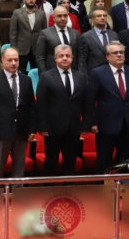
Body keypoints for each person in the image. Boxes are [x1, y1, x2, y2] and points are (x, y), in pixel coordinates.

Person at [87, 41, 129, 173]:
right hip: (106, 125)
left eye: (121, 52)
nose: (119, 55)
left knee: (124, 161)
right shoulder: (98, 73)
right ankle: (102, 184)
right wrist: (92, 122)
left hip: (128, 125)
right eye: (115, 53)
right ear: (107, 56)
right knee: (104, 159)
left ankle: (122, 184)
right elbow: (90, 100)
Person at [35, 45, 90, 176]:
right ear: (55, 58)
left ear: (72, 58)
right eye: (61, 56)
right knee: (51, 161)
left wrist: (86, 124)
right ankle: (49, 187)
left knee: (71, 161)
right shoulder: (46, 76)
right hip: (52, 128)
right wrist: (42, 127)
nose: (64, 58)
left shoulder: (81, 77)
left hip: (73, 127)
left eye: (67, 56)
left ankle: (69, 187)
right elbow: (41, 104)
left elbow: (86, 103)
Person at [0, 47, 36, 179]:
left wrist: (32, 129)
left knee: (19, 166)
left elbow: (31, 106)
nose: (13, 63)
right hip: (2, 130)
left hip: (22, 130)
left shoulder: (26, 80)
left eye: (16, 60)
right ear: (2, 60)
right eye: (10, 60)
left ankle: (18, 190)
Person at [9, 0, 48, 73]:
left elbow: (44, 32)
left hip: (37, 49)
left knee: (38, 73)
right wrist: (14, 49)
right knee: (20, 73)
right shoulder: (17, 13)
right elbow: (12, 33)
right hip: (21, 49)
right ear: (24, 0)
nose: (31, 0)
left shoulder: (41, 13)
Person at [36, 6, 80, 73]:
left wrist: (80, 73)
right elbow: (40, 57)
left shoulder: (75, 33)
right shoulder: (45, 33)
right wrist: (44, 75)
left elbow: (80, 56)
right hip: (52, 72)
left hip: (72, 71)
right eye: (59, 16)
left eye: (65, 16)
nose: (63, 18)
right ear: (54, 18)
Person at [79, 7, 119, 74]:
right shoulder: (86, 36)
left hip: (113, 72)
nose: (102, 18)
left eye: (104, 15)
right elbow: (82, 60)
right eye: (99, 16)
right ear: (92, 19)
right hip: (94, 73)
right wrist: (84, 76)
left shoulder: (114, 34)